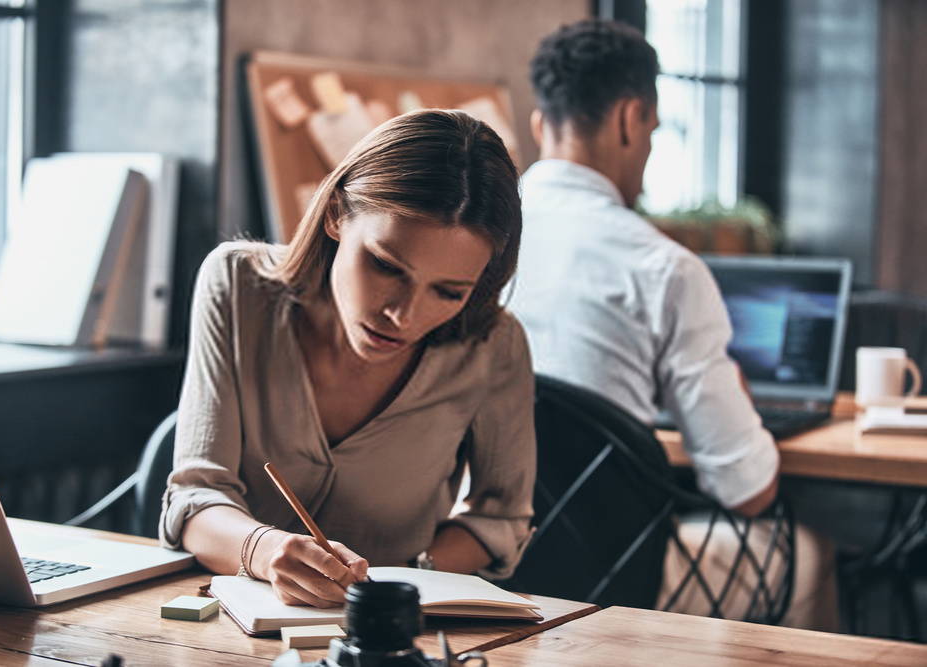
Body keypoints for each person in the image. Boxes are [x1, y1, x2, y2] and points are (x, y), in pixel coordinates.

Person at [509, 19, 835, 629]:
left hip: (481, 568)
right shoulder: (664, 268)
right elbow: (748, 490)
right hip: (614, 576)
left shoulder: (474, 244)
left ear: (537, 125)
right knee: (809, 553)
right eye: (654, 131)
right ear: (632, 119)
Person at [160, 109, 535, 609]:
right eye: (385, 266)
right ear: (336, 213)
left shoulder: (495, 344)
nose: (404, 315)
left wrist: (404, 581)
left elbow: (502, 520)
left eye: (448, 292)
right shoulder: (237, 286)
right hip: (227, 627)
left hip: (393, 636)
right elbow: (195, 498)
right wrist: (265, 551)